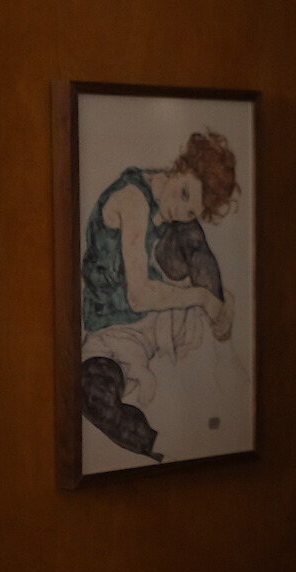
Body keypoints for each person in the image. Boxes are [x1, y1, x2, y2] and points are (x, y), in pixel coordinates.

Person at [80, 130, 239, 460]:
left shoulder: (175, 206)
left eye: (192, 209)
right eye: (183, 194)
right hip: (113, 325)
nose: (180, 209)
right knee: (95, 396)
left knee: (190, 239)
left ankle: (220, 326)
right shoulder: (133, 198)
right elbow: (138, 296)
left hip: (156, 318)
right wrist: (201, 297)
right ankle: (166, 450)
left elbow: (191, 247)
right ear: (180, 167)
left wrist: (213, 300)